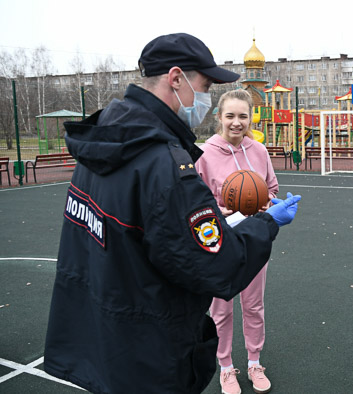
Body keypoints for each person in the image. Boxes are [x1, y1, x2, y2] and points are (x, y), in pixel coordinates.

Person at [43, 33, 301, 394]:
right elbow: (217, 264)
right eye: (206, 85)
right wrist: (267, 222)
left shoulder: (104, 140)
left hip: (102, 329)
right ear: (176, 79)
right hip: (148, 344)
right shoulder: (163, 163)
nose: (207, 99)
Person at [195, 89, 278, 394]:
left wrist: (268, 203)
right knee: (221, 309)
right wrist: (220, 210)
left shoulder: (259, 151)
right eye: (230, 115)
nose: (237, 122)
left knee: (254, 305)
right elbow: (195, 202)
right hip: (218, 243)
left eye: (243, 116)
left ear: (251, 117)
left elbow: (271, 188)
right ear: (219, 117)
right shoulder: (203, 154)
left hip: (253, 240)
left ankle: (255, 362)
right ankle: (226, 367)